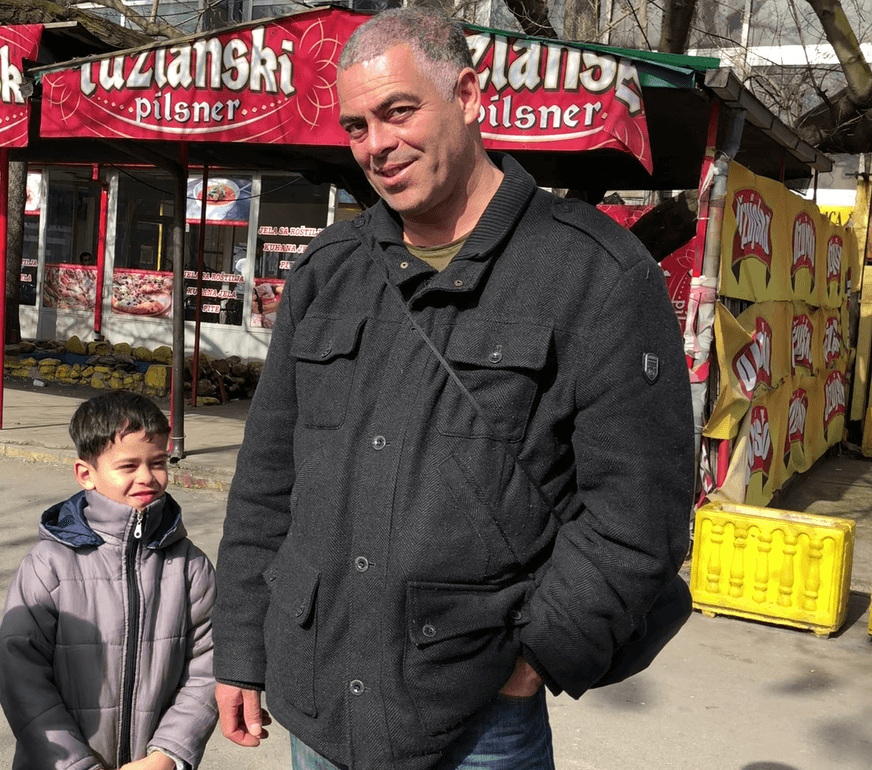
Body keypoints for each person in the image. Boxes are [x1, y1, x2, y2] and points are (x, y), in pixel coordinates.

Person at [212, 8, 693, 770]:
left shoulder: (594, 274)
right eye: (356, 126)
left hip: (479, 722)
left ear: (468, 94)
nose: (377, 145)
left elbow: (641, 515)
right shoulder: (327, 270)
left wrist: (532, 661)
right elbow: (268, 480)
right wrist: (239, 644)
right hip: (317, 703)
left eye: (399, 111)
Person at [0, 391, 217, 770]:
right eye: (128, 466)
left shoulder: (189, 566)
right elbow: (22, 676)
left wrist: (168, 754)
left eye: (159, 462)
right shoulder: (49, 564)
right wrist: (74, 763)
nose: (147, 477)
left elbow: (209, 666)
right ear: (86, 474)